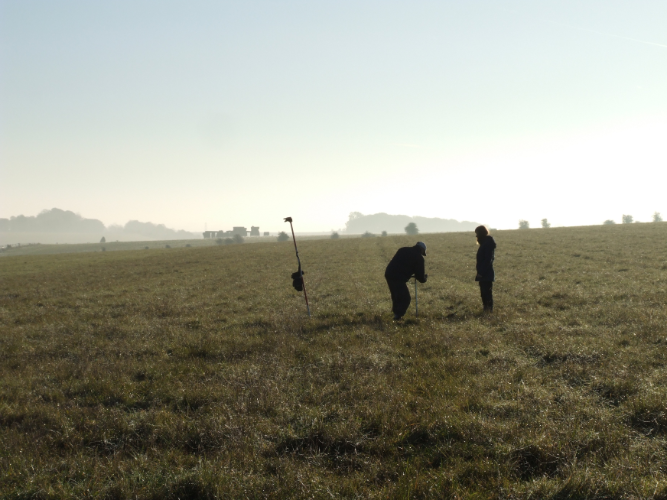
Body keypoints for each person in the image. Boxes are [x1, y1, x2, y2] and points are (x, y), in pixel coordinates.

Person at [385, 242, 428, 320]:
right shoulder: (419, 258)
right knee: (405, 298)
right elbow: (420, 277)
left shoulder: (403, 250)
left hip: (389, 274)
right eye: (423, 252)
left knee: (396, 295)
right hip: (399, 278)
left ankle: (396, 313)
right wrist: (424, 278)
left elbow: (401, 263)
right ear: (421, 249)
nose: (422, 254)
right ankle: (398, 316)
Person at [475, 225, 496, 313]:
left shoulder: (487, 244)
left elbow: (488, 260)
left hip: (486, 273)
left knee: (486, 293)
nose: (476, 236)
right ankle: (486, 310)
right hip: (484, 272)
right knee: (484, 293)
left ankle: (488, 310)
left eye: (477, 234)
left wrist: (481, 272)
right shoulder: (486, 243)